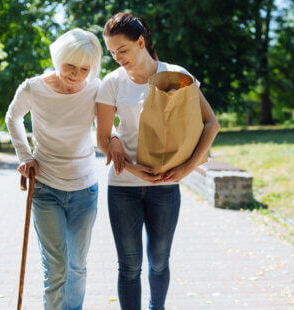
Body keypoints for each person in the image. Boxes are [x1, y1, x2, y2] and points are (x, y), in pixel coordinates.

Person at [96, 13, 220, 310]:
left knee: (159, 262)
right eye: (112, 53)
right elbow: (102, 138)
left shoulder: (176, 76)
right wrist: (132, 167)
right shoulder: (112, 83)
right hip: (123, 187)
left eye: (122, 50)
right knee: (128, 266)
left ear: (141, 43)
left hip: (165, 186)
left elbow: (210, 124)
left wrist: (186, 170)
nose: (117, 59)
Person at [6, 28, 105, 310]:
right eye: (70, 66)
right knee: (57, 269)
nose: (76, 75)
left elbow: (109, 124)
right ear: (57, 58)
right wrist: (24, 155)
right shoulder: (33, 88)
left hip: (85, 189)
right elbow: (13, 117)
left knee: (77, 266)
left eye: (84, 69)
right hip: (46, 188)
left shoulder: (95, 89)